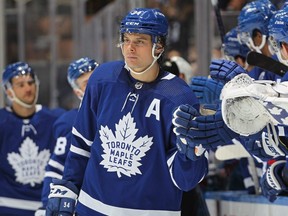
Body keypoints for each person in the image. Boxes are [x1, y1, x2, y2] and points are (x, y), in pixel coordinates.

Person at [45, 8, 208, 216]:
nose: (129, 48)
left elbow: (185, 182)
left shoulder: (179, 97)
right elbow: (82, 142)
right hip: (91, 208)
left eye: (139, 41)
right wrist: (68, 185)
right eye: (126, 39)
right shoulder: (103, 78)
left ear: (158, 46)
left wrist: (191, 157)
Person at [34, 57, 99, 216]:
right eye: (86, 83)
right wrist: (46, 204)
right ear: (78, 92)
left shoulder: (125, 110)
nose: (94, 86)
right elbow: (57, 167)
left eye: (96, 79)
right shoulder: (69, 122)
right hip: (90, 202)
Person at [0, 61, 65, 215]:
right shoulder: (2, 122)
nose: (28, 88)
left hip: (44, 206)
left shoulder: (57, 119)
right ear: (9, 92)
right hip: (7, 205)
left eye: (30, 83)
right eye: (20, 85)